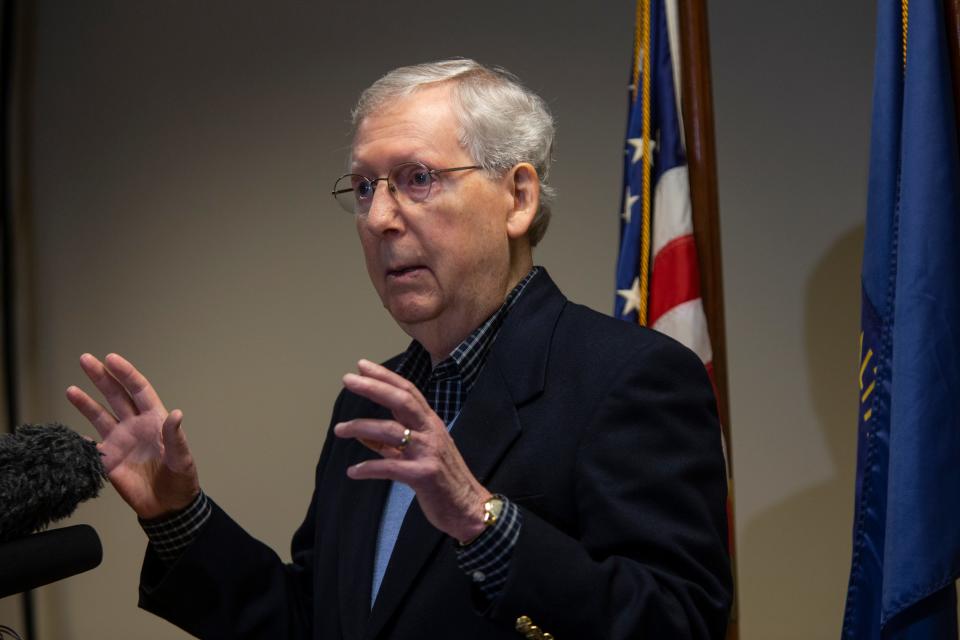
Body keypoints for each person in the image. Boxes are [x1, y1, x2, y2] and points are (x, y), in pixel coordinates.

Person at [67, 59, 732, 639]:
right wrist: (180, 517)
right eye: (363, 188)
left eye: (417, 178)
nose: (381, 218)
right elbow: (314, 624)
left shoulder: (630, 377)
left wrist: (482, 520)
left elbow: (677, 622)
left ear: (518, 198)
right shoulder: (369, 404)